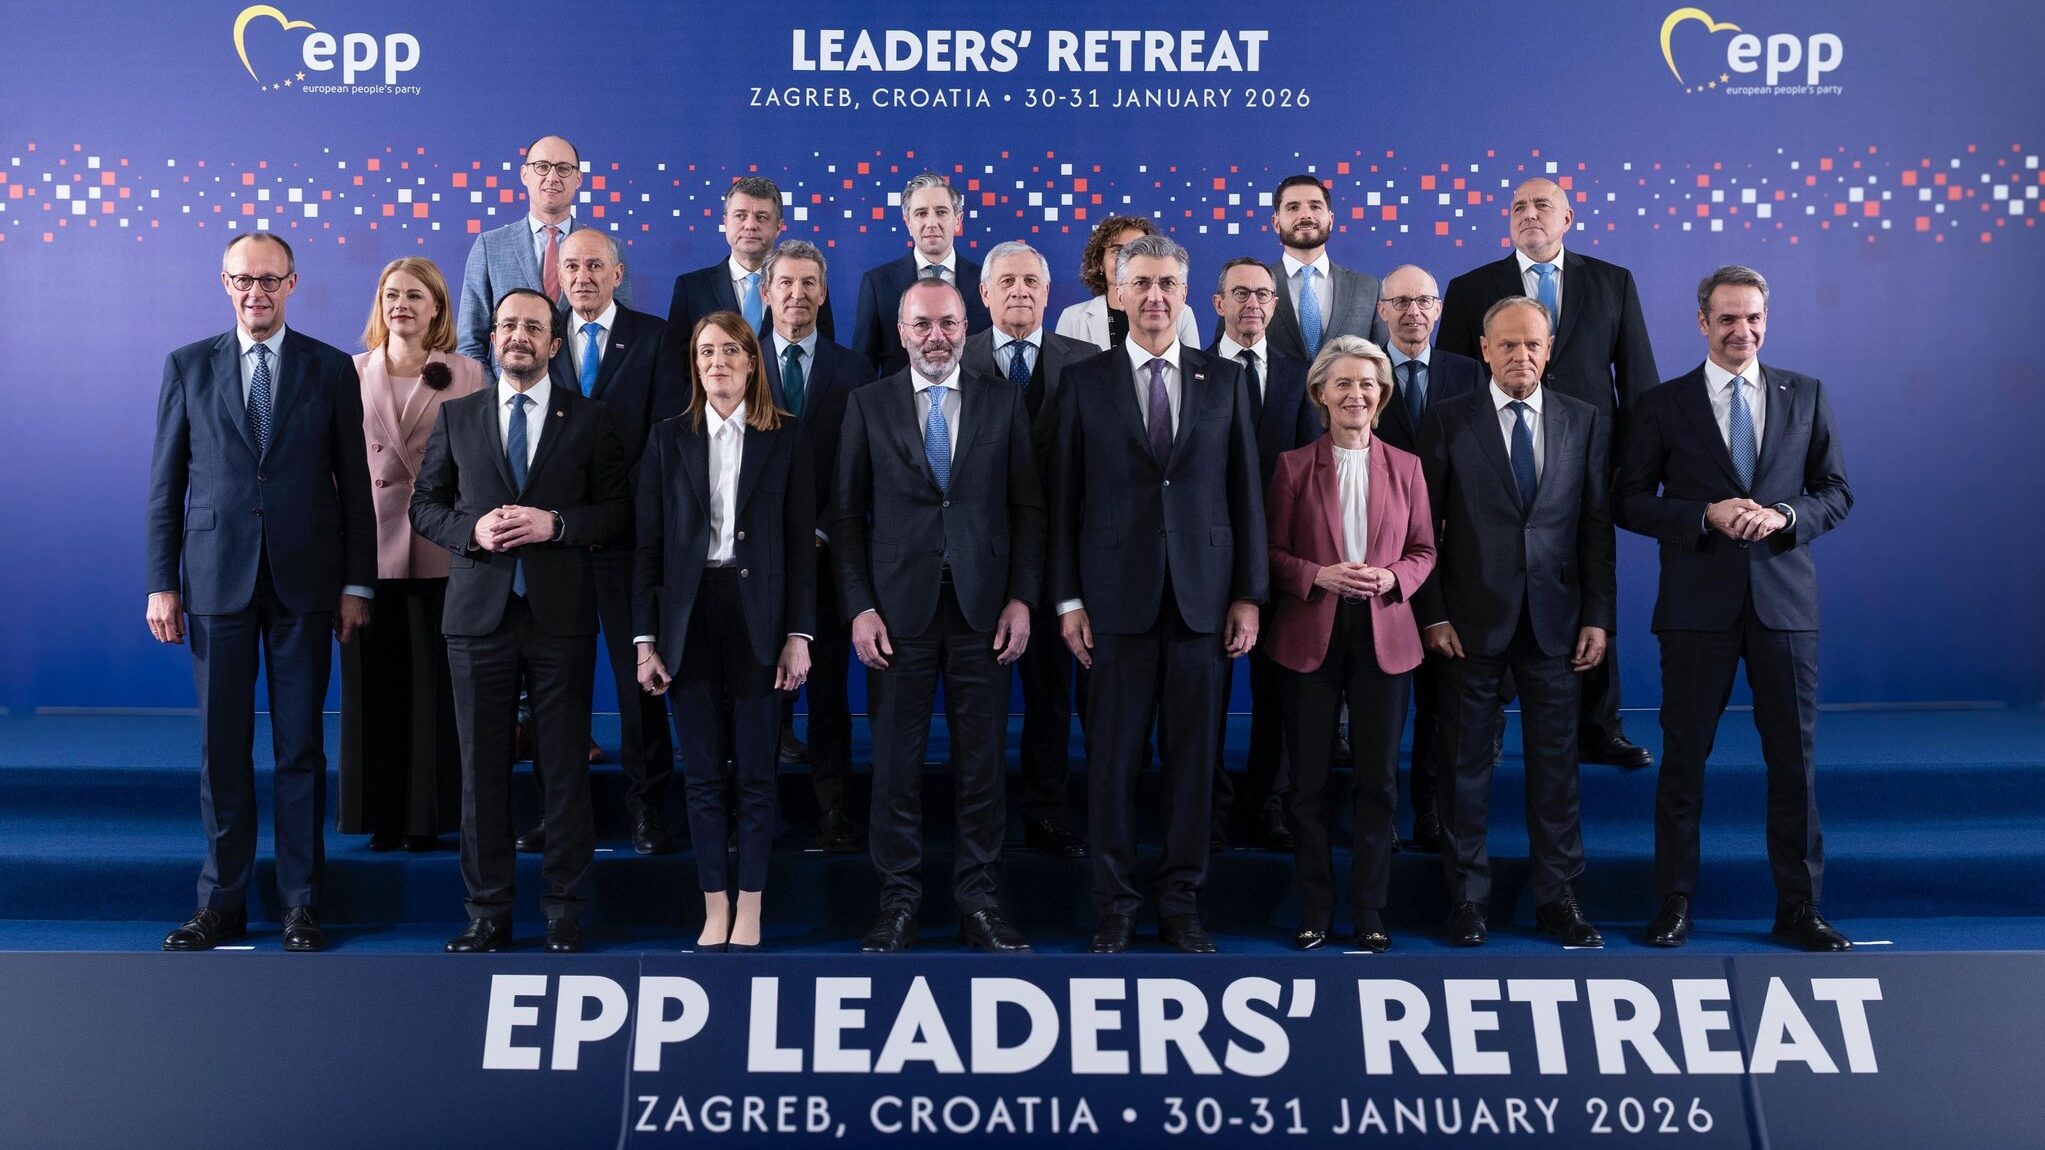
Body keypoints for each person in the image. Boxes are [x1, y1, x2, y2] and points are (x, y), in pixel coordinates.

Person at [147, 233, 376, 952]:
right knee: (222, 749)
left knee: (301, 748)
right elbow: (166, 486)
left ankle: (301, 904)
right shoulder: (187, 365)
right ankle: (221, 903)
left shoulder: (331, 368)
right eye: (244, 280)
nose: (257, 292)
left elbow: (356, 487)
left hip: (307, 584)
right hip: (216, 581)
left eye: (269, 280)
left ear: (292, 284)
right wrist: (161, 583)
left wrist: (356, 582)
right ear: (225, 283)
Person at [1615, 266, 1854, 952]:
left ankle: (1798, 908)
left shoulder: (1805, 394)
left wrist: (1783, 516)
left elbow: (1835, 492)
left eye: (1752, 317)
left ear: (1765, 320)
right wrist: (1702, 515)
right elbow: (1628, 499)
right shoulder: (1662, 404)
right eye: (1726, 318)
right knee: (1683, 762)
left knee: (1794, 764)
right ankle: (1674, 902)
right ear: (1702, 323)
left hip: (1784, 606)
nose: (1741, 330)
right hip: (1696, 609)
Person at [1051, 234, 1267, 954]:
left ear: (1185, 292)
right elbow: (1063, 500)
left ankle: (1180, 903)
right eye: (1140, 282)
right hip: (1113, 604)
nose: (1154, 296)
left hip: (1204, 602)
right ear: (1117, 293)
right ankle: (1114, 905)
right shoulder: (1083, 381)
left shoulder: (1225, 381)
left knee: (1193, 766)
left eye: (1167, 283)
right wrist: (1067, 601)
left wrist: (1249, 594)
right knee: (1111, 766)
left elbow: (1245, 493)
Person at [410, 289, 630, 954]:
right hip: (478, 617)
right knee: (482, 772)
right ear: (492, 338)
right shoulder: (458, 416)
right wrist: (471, 530)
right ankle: (488, 913)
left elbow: (617, 511)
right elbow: (424, 506)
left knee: (563, 770)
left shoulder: (591, 419)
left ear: (554, 344)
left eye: (533, 327)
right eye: (508, 325)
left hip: (561, 617)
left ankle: (565, 910)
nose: (518, 336)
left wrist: (555, 523)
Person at [834, 279, 1045, 953]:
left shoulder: (1003, 401)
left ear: (966, 327)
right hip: (896, 617)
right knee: (895, 768)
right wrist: (860, 606)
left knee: (981, 769)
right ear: (901, 331)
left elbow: (1028, 508)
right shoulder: (867, 404)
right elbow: (845, 517)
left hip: (985, 613)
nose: (936, 336)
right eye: (922, 324)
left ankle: (978, 905)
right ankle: (897, 905)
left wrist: (1022, 597)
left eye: (948, 324)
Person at [1436, 178, 1657, 770]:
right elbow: (1452, 386)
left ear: (1568, 218)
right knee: (1493, 581)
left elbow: (1637, 380)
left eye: (1542, 205)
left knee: (1585, 585)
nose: (1529, 214)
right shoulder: (1470, 288)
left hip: (1585, 461)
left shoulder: (1612, 282)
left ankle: (1599, 726)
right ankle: (1487, 722)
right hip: (1492, 463)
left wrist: (1631, 467)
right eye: (1519, 206)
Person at [1415, 297, 1614, 950]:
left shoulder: (1582, 419)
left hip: (1556, 626)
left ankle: (1557, 900)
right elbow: (1423, 530)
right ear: (1484, 349)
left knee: (1556, 772)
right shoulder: (1447, 419)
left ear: (1549, 349)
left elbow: (1594, 527)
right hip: (1467, 627)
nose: (1520, 356)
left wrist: (1598, 616)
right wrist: (1432, 613)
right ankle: (1466, 901)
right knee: (1463, 770)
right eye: (1507, 344)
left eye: (1532, 344)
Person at [634, 313, 816, 952]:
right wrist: (645, 641)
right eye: (706, 352)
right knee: (704, 774)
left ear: (751, 362)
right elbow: (648, 548)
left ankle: (752, 906)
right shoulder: (667, 438)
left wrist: (799, 635)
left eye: (731, 352)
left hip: (759, 618)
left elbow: (799, 545)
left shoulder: (786, 436)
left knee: (757, 774)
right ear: (694, 364)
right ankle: (715, 904)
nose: (718, 363)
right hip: (687, 619)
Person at [1264, 336, 1435, 952]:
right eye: (1343, 383)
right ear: (1321, 394)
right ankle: (1315, 908)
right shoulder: (1292, 466)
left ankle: (1369, 910)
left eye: (1367, 384)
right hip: (1311, 635)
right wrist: (1318, 575)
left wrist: (1393, 578)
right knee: (1308, 783)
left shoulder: (1407, 467)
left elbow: (1424, 550)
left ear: (1381, 395)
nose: (1355, 394)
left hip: (1385, 635)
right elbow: (1271, 552)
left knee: (1378, 783)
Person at [538, 227, 684, 855]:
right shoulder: (538, 335)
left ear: (618, 274)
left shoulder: (655, 338)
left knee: (638, 685)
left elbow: (667, 437)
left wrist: (627, 512)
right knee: (558, 687)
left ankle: (647, 807)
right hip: (557, 542)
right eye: (572, 266)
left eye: (596, 266)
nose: (583, 277)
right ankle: (560, 813)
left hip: (629, 538)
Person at [338, 257, 487, 854]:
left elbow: (481, 463)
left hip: (440, 547)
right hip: (368, 549)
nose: (401, 304)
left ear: (437, 307)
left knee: (434, 687)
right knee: (371, 688)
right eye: (391, 294)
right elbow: (335, 468)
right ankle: (379, 813)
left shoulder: (468, 372)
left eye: (415, 295)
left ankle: (426, 817)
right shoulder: (350, 371)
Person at [961, 240, 1095, 859]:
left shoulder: (1087, 361)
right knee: (978, 701)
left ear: (1048, 293)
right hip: (976, 560)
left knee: (1051, 696)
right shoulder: (953, 355)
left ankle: (1046, 811)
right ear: (984, 293)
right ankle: (979, 817)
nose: (1019, 291)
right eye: (1007, 281)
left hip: (1063, 557)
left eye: (1031, 282)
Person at [757, 239, 873, 851]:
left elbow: (860, 469)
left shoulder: (854, 370)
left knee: (828, 694)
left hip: (829, 554)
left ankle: (835, 812)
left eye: (809, 283)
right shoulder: (736, 360)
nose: (797, 294)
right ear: (766, 292)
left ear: (824, 293)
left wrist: (822, 529)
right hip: (754, 559)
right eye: (786, 283)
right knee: (756, 696)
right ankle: (757, 816)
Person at [1369, 265, 1484, 853]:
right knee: (1380, 704)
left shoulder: (1470, 373)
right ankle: (1379, 813)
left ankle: (1433, 810)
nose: (1413, 312)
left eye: (1424, 301)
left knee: (1442, 702)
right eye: (1400, 302)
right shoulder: (1361, 372)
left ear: (1438, 309)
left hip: (1452, 562)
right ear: (1381, 310)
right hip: (1378, 560)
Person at [1207, 256, 1320, 851]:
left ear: (1276, 306)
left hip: (1278, 557)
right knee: (1205, 696)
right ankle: (1209, 808)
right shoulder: (1192, 369)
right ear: (1217, 303)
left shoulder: (1301, 376)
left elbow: (1312, 474)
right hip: (1203, 560)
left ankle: (1269, 804)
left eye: (1263, 294)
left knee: (1278, 694)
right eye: (1240, 293)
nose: (1252, 303)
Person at [455, 135, 628, 371]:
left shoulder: (609, 248)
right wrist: (498, 391)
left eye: (563, 168)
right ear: (524, 174)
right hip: (510, 389)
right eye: (542, 166)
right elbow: (469, 343)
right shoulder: (489, 246)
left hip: (585, 390)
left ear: (578, 179)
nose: (552, 177)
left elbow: (624, 335)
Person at [1225, 175, 1389, 360]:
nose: (1305, 215)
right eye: (1293, 208)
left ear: (1331, 220)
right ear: (1276, 223)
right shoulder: (1244, 288)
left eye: (1315, 206)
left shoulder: (1369, 288)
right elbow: (1224, 361)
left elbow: (1382, 366)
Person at [665, 176, 834, 352]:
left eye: (761, 217)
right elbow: (677, 360)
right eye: (740, 216)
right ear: (725, 222)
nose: (750, 225)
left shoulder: (807, 287)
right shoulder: (691, 288)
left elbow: (823, 354)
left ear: (778, 227)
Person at [849, 172, 990, 377]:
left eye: (941, 212)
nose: (931, 222)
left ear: (958, 220)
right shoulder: (878, 284)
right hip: (899, 398)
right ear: (908, 222)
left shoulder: (985, 282)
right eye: (921, 213)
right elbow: (863, 366)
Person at [1053, 215, 1203, 350]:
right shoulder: (1073, 319)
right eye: (1118, 251)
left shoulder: (1182, 313)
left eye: (1139, 249)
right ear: (1099, 263)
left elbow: (1191, 365)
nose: (1127, 259)